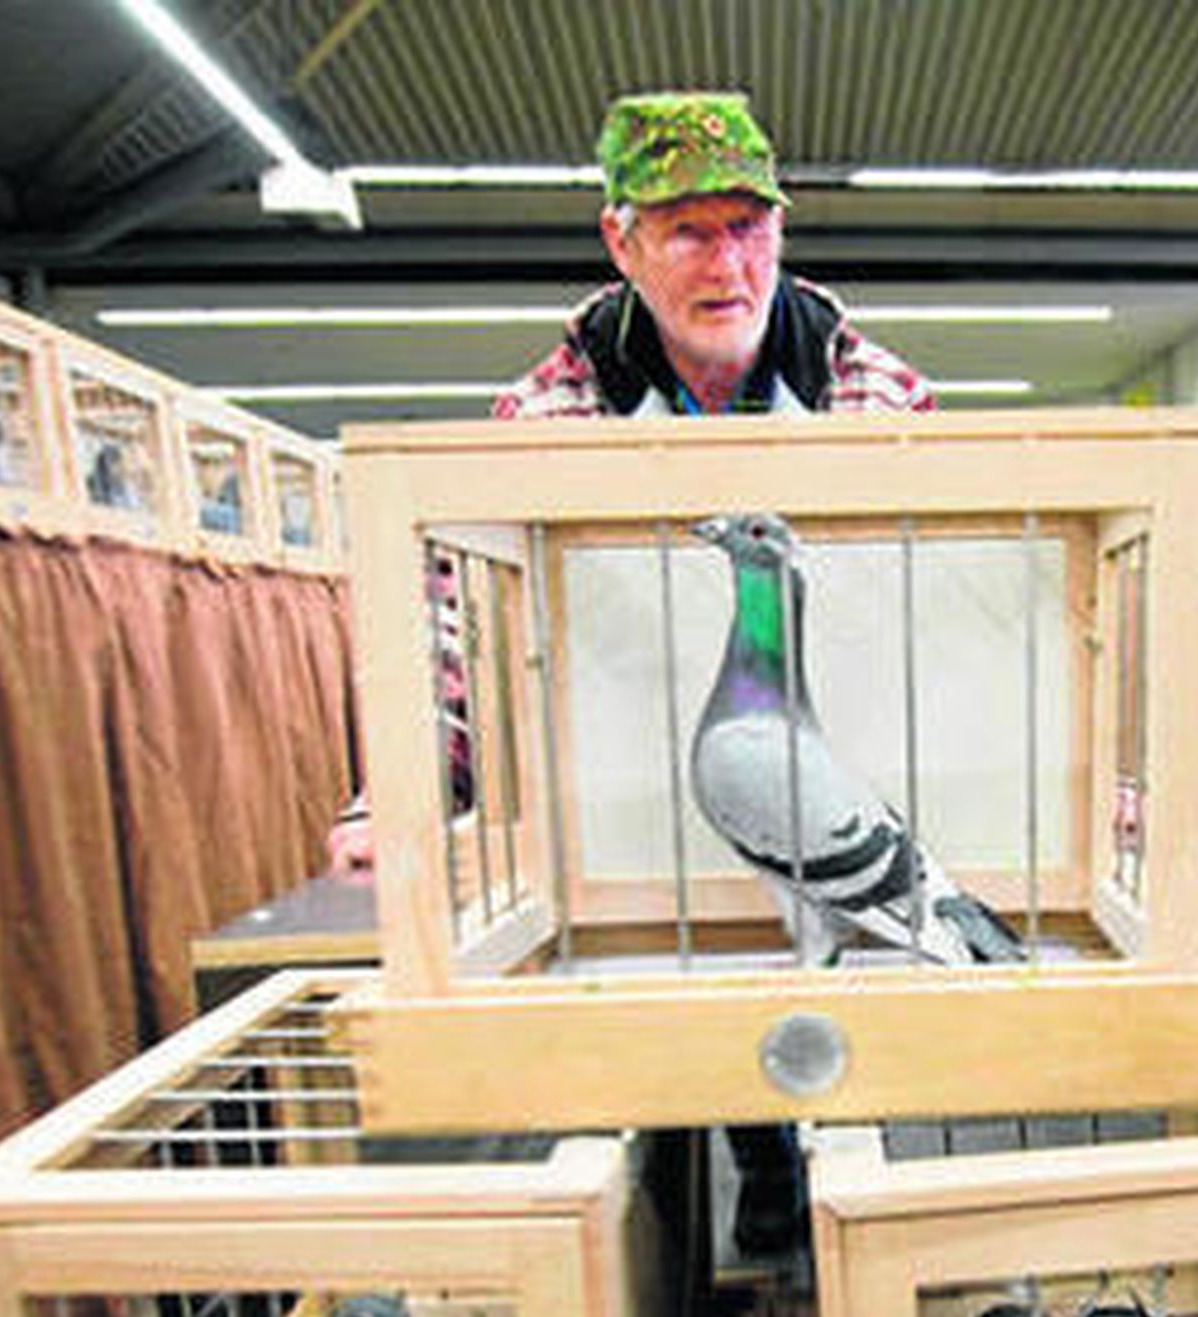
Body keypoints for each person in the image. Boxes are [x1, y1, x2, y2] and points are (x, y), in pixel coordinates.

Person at [325, 91, 937, 1250]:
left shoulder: (880, 400)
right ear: (621, 240)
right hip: (630, 798)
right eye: (689, 232)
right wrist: (399, 799)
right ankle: (686, 1257)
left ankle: (811, 1220)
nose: (729, 262)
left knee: (833, 1074)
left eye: (749, 227)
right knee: (656, 1080)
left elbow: (960, 616)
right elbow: (465, 640)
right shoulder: (541, 416)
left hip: (824, 776)